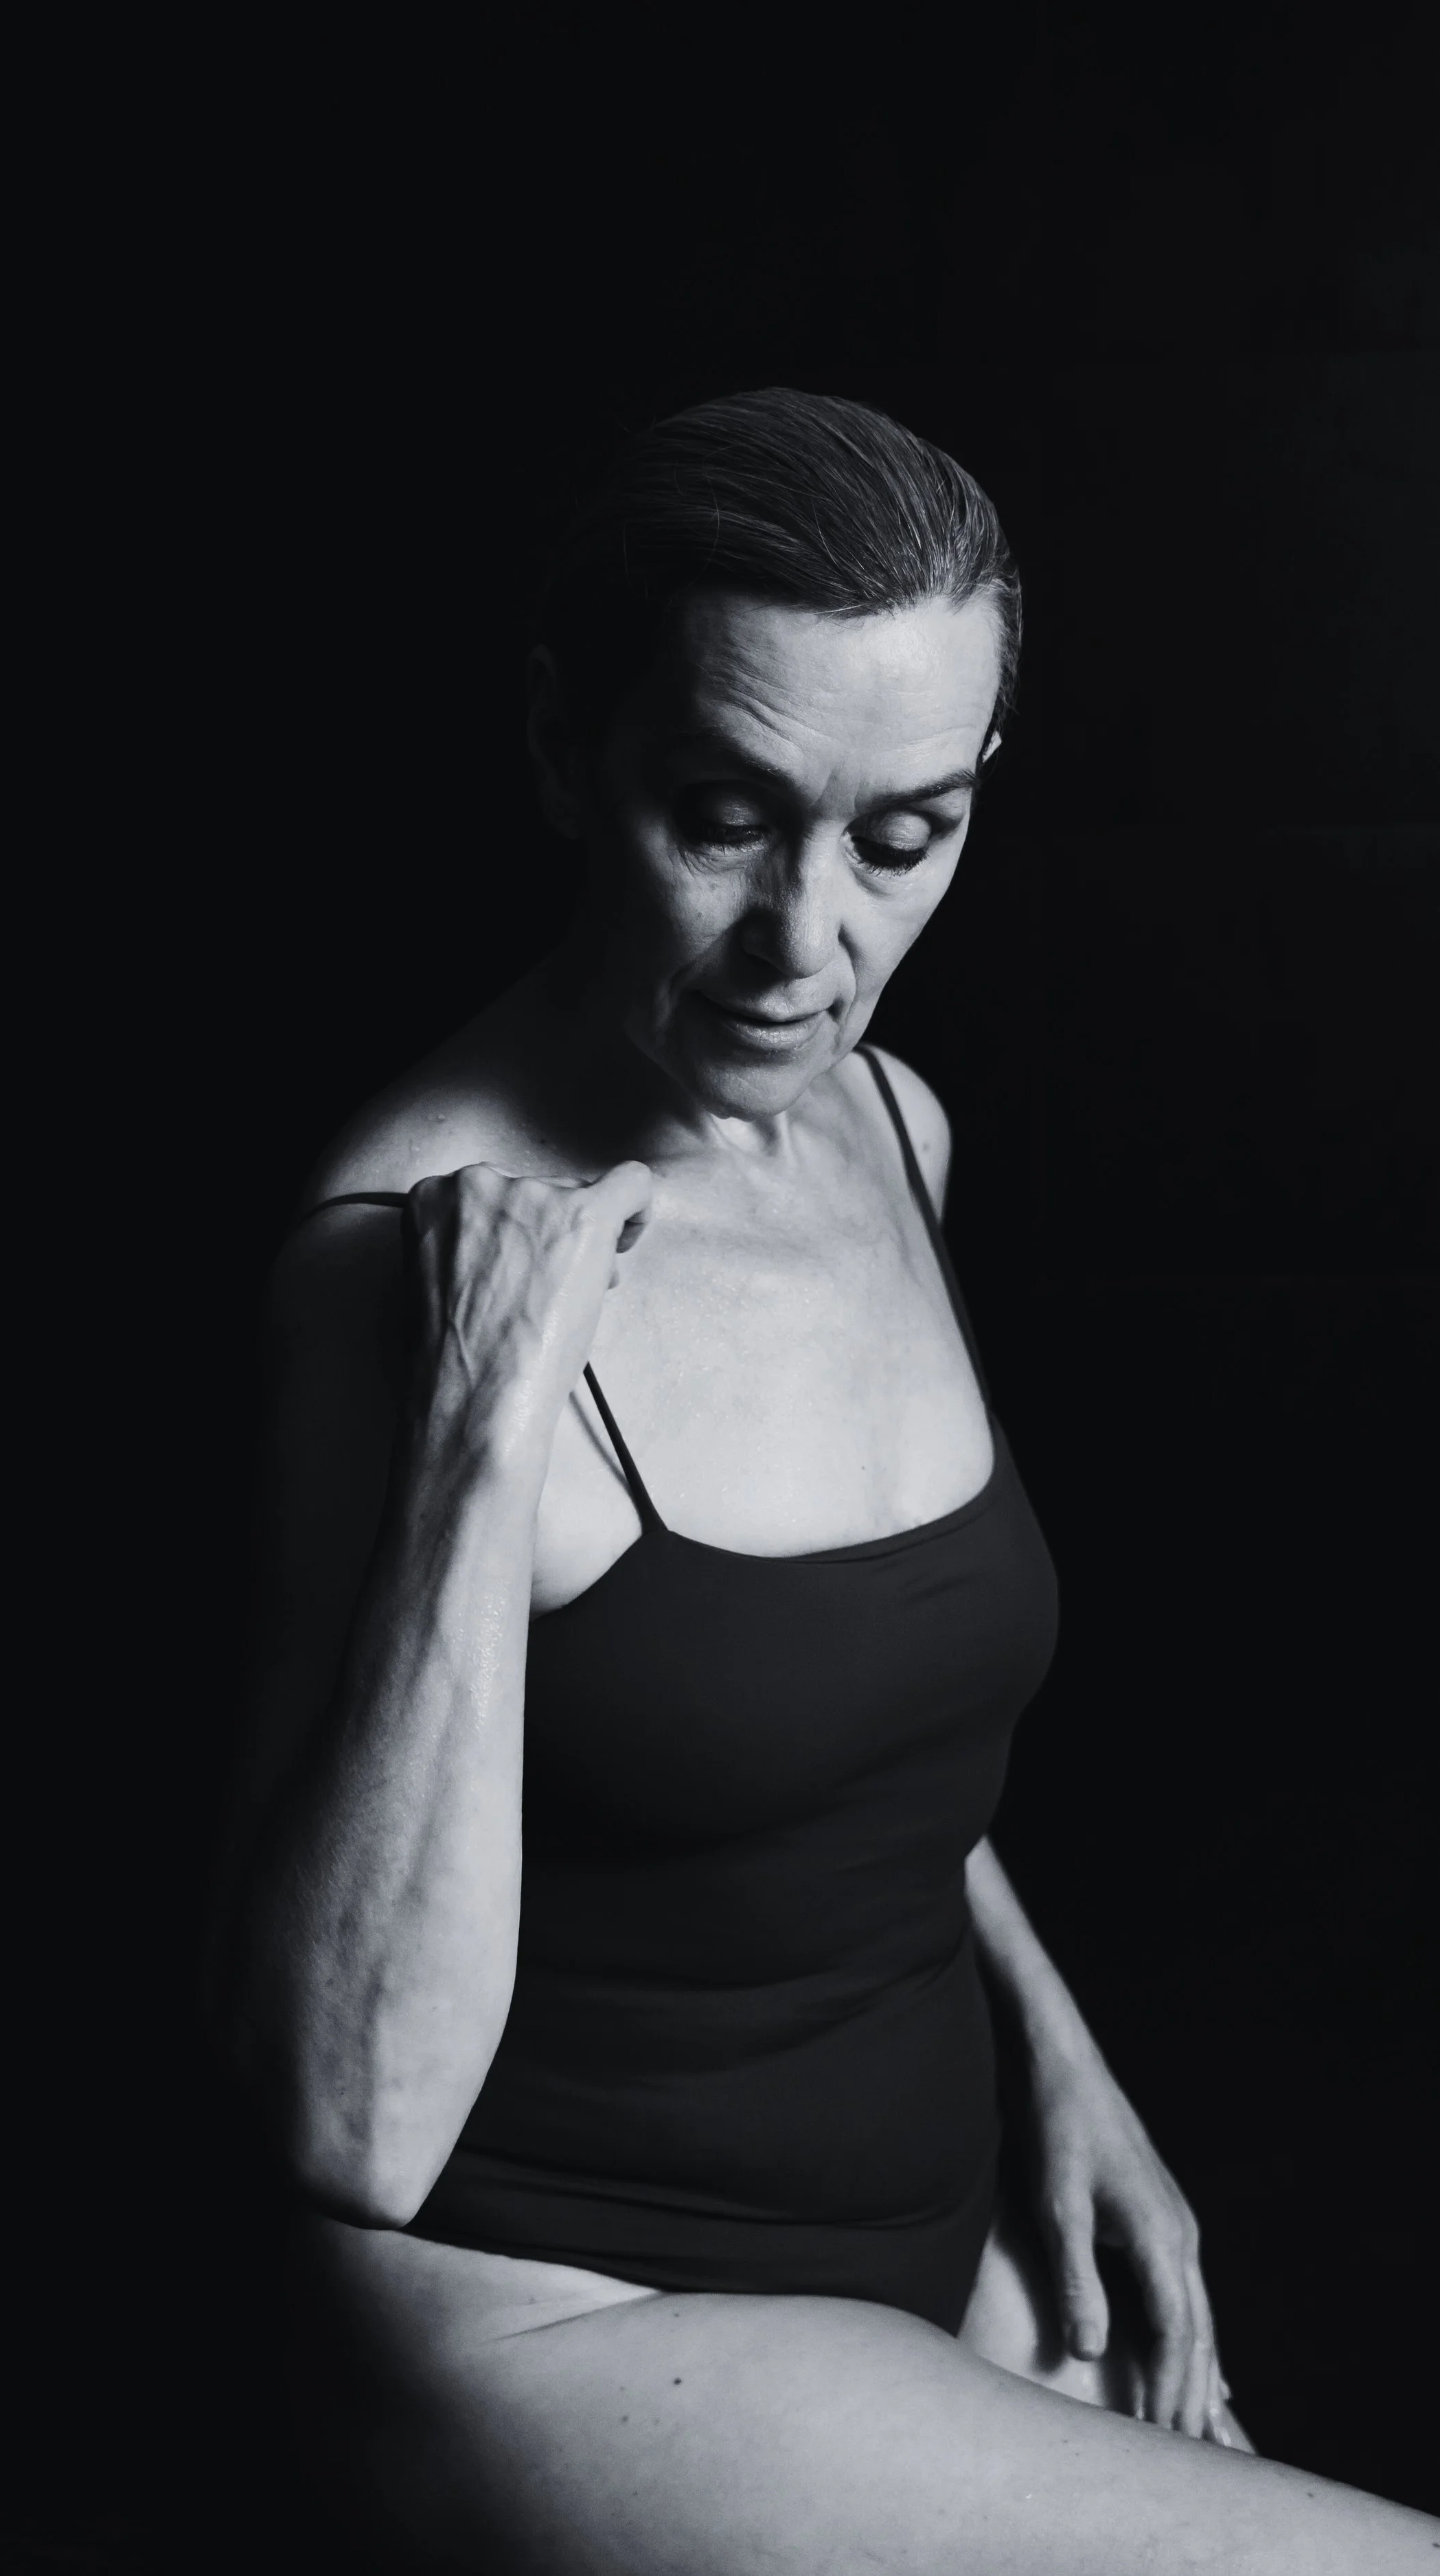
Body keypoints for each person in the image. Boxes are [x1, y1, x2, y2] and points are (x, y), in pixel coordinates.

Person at [207, 392, 1436, 2571]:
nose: (807, 944)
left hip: (913, 2229)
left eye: (904, 835)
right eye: (724, 813)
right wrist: (483, 1433)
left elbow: (839, 1735)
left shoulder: (890, 1128)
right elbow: (341, 2119)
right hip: (575, 2316)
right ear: (563, 750)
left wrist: (1061, 2056)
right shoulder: (387, 1262)